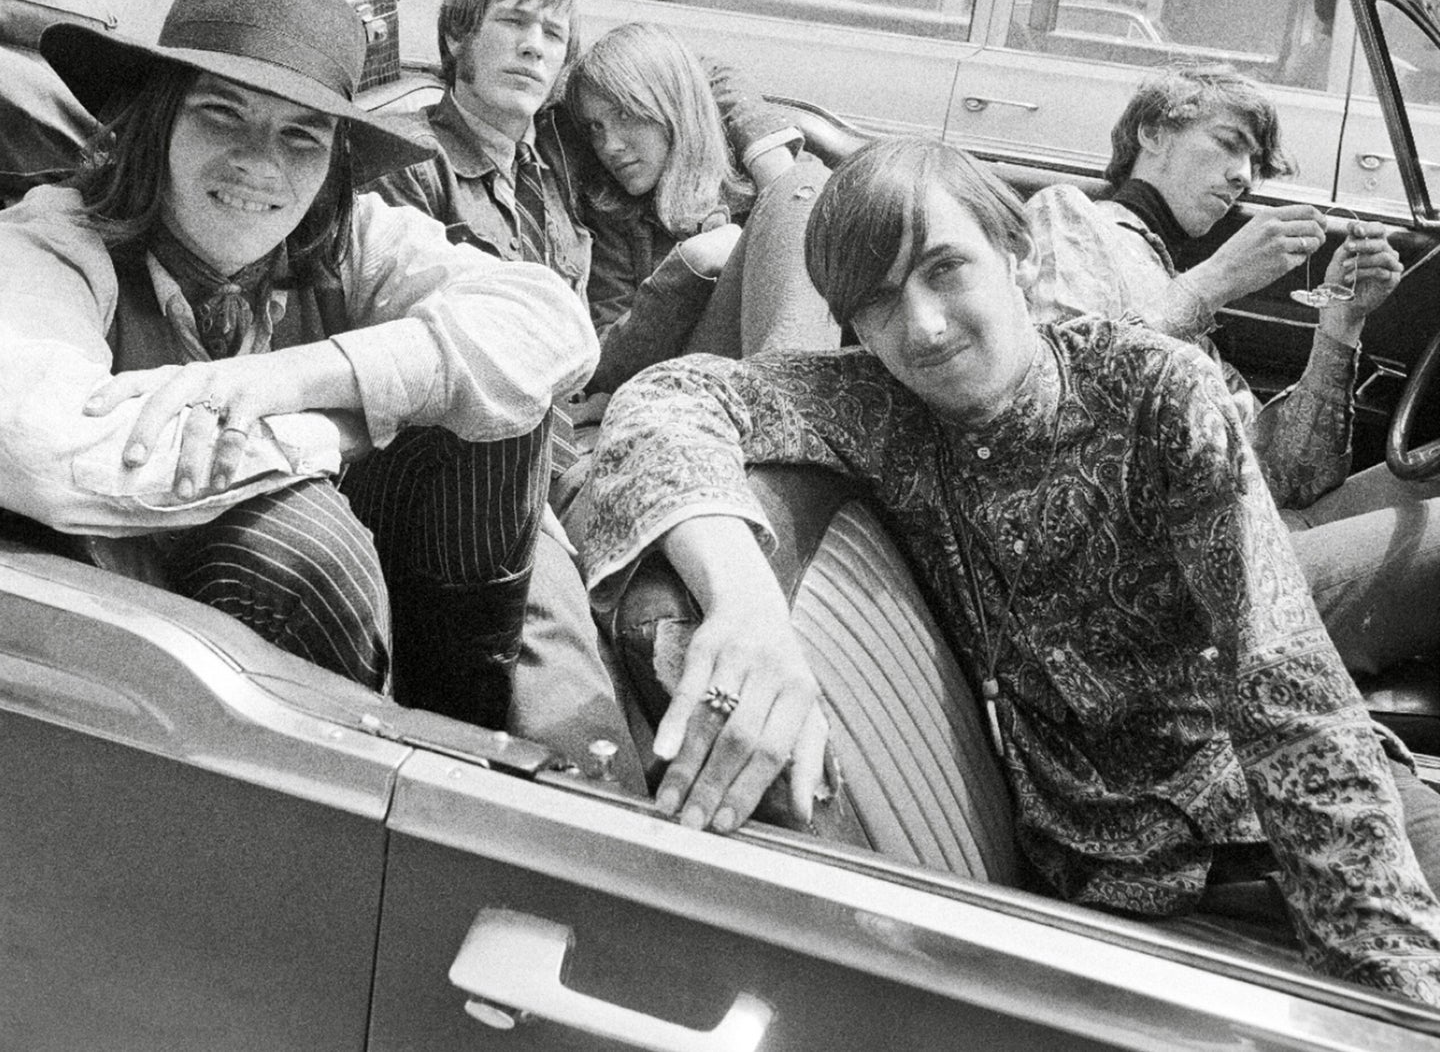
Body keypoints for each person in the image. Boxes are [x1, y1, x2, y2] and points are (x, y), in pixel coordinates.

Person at [579, 136, 1440, 1003]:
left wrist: (1385, 973)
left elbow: (1281, 679)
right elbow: (665, 400)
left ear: (1016, 253)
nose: (922, 325)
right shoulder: (879, 409)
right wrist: (746, 604)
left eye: (946, 269)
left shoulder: (1154, 392)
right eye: (877, 305)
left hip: (1303, 798)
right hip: (1140, 876)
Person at [0, 0, 597, 734]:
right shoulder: (56, 241)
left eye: (302, 135)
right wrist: (346, 431)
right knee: (302, 543)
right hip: (147, 655)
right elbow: (46, 445)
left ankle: (462, 745)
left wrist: (298, 383)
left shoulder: (343, 240)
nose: (260, 163)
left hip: (365, 614)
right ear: (157, 119)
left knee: (493, 419)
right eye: (222, 113)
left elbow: (549, 325)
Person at [1024, 64, 1440, 677]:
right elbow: (1057, 397)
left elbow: (1297, 479)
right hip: (1188, 586)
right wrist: (1215, 281)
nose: (1243, 177)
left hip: (1268, 527)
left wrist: (1341, 327)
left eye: (1254, 164)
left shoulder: (1166, 278)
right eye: (1227, 144)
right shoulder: (1070, 218)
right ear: (1151, 133)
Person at [368, 0, 641, 785]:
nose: (533, 46)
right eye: (513, 24)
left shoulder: (545, 160)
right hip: (479, 456)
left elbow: (707, 85)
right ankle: (605, 818)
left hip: (573, 436)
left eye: (552, 36)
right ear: (458, 41)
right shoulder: (411, 164)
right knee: (552, 628)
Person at [567, 21, 838, 397]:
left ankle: (788, 408)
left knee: (803, 190)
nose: (610, 144)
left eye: (624, 115)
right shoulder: (612, 213)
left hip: (771, 388)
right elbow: (604, 363)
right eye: (595, 127)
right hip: (691, 392)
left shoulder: (761, 174)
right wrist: (689, 266)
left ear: (671, 105)